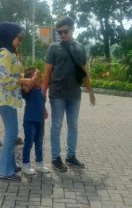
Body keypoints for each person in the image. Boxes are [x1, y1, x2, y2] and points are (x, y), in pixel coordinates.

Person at [41, 16, 96, 171]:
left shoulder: (80, 48)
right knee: (56, 126)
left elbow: (84, 72)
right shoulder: (53, 48)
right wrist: (42, 95)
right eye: (59, 32)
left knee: (73, 126)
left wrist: (90, 91)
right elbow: (47, 73)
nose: (62, 35)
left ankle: (71, 156)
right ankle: (55, 158)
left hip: (74, 95)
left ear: (72, 29)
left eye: (65, 31)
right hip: (57, 94)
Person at [0, 23, 38, 181]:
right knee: (11, 133)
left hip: (8, 100)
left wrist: (27, 78)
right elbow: (4, 80)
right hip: (5, 100)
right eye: (18, 38)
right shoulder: (5, 54)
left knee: (11, 133)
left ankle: (9, 165)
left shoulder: (9, 53)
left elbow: (14, 74)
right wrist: (25, 81)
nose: (20, 41)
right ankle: (4, 171)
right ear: (9, 36)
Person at [21, 67, 47, 175]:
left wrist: (45, 110)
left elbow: (41, 102)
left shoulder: (40, 90)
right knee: (29, 142)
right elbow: (25, 88)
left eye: (39, 77)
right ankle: (25, 164)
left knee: (39, 142)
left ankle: (39, 163)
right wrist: (32, 79)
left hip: (40, 121)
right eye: (37, 77)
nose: (39, 78)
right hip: (30, 120)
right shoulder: (28, 89)